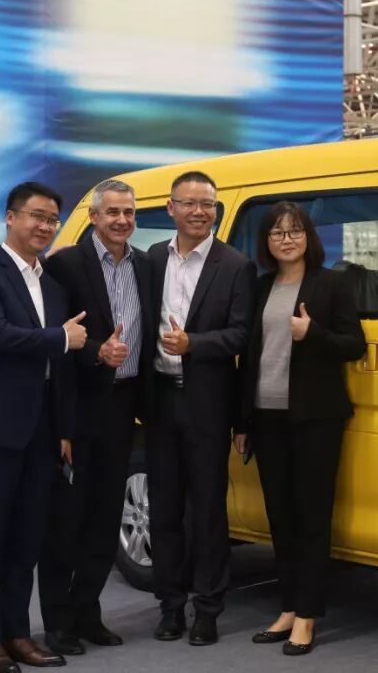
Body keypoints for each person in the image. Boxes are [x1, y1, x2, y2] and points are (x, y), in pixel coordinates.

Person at [0, 182, 85, 673]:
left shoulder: (53, 285)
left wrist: (65, 428)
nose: (45, 226)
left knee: (28, 538)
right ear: (11, 217)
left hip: (43, 428)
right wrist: (60, 338)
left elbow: (62, 369)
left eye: (52, 219)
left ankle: (17, 633)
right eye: (36, 216)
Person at [234, 201, 366, 656]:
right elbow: (249, 358)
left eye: (294, 231)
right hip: (267, 417)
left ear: (308, 237)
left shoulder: (332, 284)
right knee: (281, 517)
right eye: (277, 232)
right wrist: (242, 421)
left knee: (311, 517)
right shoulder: (261, 286)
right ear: (266, 242)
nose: (286, 239)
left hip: (315, 418)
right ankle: (288, 607)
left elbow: (354, 345)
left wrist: (313, 334)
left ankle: (307, 615)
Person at [38, 179, 155, 655]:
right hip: (78, 407)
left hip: (125, 407)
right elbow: (54, 340)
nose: (122, 221)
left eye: (129, 213)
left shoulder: (145, 265)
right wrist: (96, 355)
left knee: (106, 517)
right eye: (113, 212)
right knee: (66, 520)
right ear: (93, 216)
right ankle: (57, 623)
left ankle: (88, 612)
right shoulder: (65, 265)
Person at [146, 170, 255, 646]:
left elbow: (241, 335)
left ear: (216, 210)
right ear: (170, 208)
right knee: (164, 509)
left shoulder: (235, 265)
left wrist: (194, 343)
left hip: (207, 402)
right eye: (188, 203)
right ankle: (170, 605)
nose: (198, 212)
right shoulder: (152, 258)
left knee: (208, 511)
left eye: (207, 204)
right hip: (159, 399)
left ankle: (208, 608)